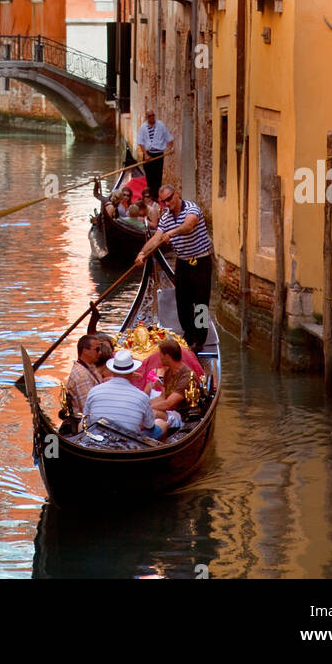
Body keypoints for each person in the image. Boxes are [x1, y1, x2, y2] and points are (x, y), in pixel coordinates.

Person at [135, 185, 213, 350]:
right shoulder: (165, 218)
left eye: (169, 199)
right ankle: (189, 334)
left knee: (200, 303)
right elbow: (156, 238)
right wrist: (142, 253)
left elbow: (188, 226)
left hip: (201, 260)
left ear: (177, 194)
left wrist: (171, 233)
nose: (167, 203)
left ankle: (199, 340)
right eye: (163, 201)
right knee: (182, 302)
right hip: (183, 261)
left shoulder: (192, 209)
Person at [82, 349, 161, 437]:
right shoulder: (142, 397)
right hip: (129, 444)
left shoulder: (94, 391)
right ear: (132, 372)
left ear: (112, 371)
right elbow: (150, 426)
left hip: (97, 441)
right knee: (161, 426)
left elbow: (85, 422)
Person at [146, 339, 193, 435]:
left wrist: (147, 408)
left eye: (160, 355)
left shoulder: (186, 377)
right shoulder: (168, 373)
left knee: (152, 413)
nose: (159, 358)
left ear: (167, 356)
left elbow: (169, 404)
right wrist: (143, 404)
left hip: (182, 416)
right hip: (170, 412)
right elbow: (163, 397)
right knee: (147, 412)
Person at [135, 111, 174, 199]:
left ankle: (156, 197)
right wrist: (145, 154)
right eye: (149, 116)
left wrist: (171, 148)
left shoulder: (161, 125)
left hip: (158, 155)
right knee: (149, 177)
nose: (152, 117)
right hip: (148, 155)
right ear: (146, 117)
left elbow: (168, 137)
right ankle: (150, 196)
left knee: (158, 177)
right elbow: (140, 142)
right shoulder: (143, 128)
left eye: (153, 115)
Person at [65, 335, 104, 419]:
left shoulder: (89, 367)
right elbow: (88, 409)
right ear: (85, 351)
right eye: (97, 349)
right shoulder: (82, 375)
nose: (100, 352)